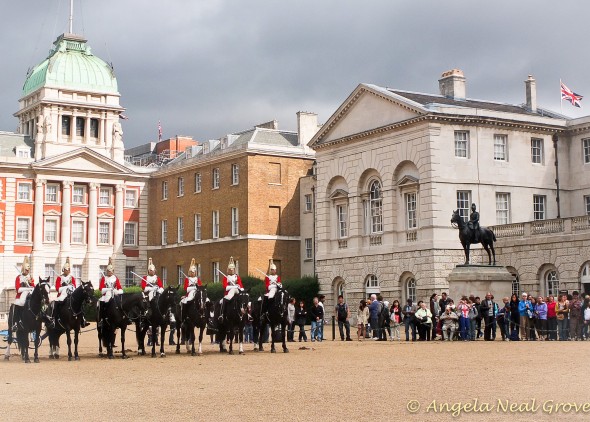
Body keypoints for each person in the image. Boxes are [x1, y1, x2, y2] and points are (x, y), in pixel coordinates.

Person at [98, 257, 123, 325]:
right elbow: (101, 289)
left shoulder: (115, 278)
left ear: (113, 271)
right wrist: (109, 289)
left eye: (111, 271)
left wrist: (116, 291)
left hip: (114, 294)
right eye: (108, 271)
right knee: (101, 305)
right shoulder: (104, 278)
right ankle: (101, 319)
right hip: (106, 295)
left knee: (121, 304)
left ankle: (123, 318)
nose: (110, 272)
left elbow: (120, 288)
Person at [12, 256, 35, 330]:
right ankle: (15, 322)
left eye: (28, 270)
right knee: (18, 304)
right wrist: (27, 288)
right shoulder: (19, 277)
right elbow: (18, 289)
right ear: (23, 269)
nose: (27, 271)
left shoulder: (30, 277)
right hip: (20, 296)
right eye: (26, 270)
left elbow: (33, 286)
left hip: (29, 294)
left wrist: (31, 284)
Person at [218, 257, 243, 322]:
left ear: (234, 270)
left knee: (245, 297)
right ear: (228, 270)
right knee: (223, 300)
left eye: (232, 269)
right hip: (229, 293)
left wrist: (239, 287)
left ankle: (246, 314)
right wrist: (233, 287)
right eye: (230, 269)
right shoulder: (225, 277)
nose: (231, 271)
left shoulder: (237, 277)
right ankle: (222, 314)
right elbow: (225, 287)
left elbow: (240, 285)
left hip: (237, 291)